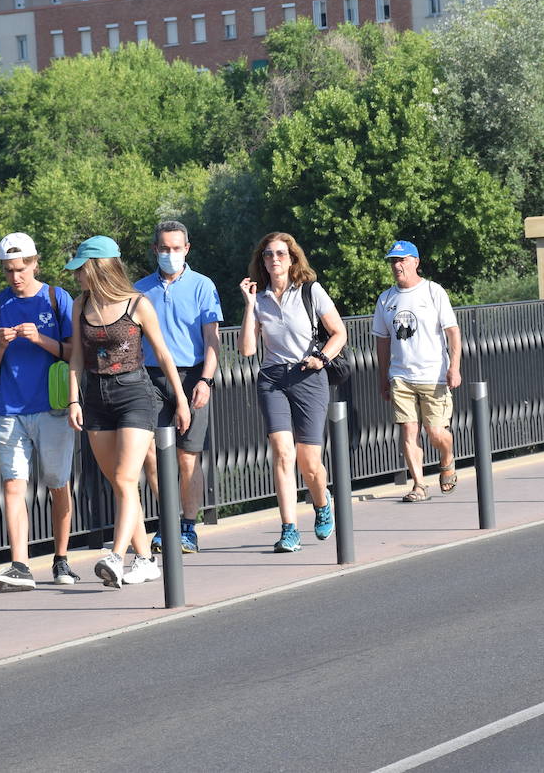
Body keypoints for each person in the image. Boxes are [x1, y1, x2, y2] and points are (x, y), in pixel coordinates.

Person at [65, 236, 190, 587]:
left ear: (98, 268)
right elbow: (76, 357)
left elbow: (164, 355)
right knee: (120, 485)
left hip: (135, 394)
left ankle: (115, 556)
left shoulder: (138, 304)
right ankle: (147, 559)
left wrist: (180, 400)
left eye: (82, 270)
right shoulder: (80, 304)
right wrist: (74, 400)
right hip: (96, 399)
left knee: (124, 478)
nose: (77, 277)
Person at [0, 233, 81, 590]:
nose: (15, 276)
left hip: (51, 408)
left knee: (57, 484)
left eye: (21, 268)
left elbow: (73, 354)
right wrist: (2, 346)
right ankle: (19, 564)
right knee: (12, 485)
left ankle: (61, 559)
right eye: (8, 270)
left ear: (36, 263)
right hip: (11, 409)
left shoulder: (56, 298)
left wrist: (39, 339)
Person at [238, 232, 346, 553]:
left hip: (308, 376)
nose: (274, 260)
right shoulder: (260, 299)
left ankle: (321, 501)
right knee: (283, 453)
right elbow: (246, 350)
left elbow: (339, 332)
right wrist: (248, 306)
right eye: (268, 255)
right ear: (263, 262)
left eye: (281, 254)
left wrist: (321, 358)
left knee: (309, 461)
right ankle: (289, 529)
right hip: (273, 379)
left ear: (292, 258)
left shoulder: (311, 291)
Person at [136, 221, 222, 555]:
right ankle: (168, 522)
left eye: (177, 248)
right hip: (152, 378)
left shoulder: (203, 285)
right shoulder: (140, 289)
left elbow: (212, 338)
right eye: (165, 248)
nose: (171, 254)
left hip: (192, 376)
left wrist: (206, 380)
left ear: (187, 249)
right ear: (155, 249)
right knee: (153, 457)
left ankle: (188, 525)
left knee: (188, 458)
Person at [371, 240, 462, 503]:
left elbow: (452, 332)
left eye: (402, 260)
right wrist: (383, 379)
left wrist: (454, 367)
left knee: (436, 433)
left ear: (415, 262)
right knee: (408, 431)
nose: (397, 266)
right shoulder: (386, 299)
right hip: (401, 376)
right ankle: (419, 485)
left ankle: (447, 457)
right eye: (393, 261)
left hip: (433, 375)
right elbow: (382, 341)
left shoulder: (433, 292)